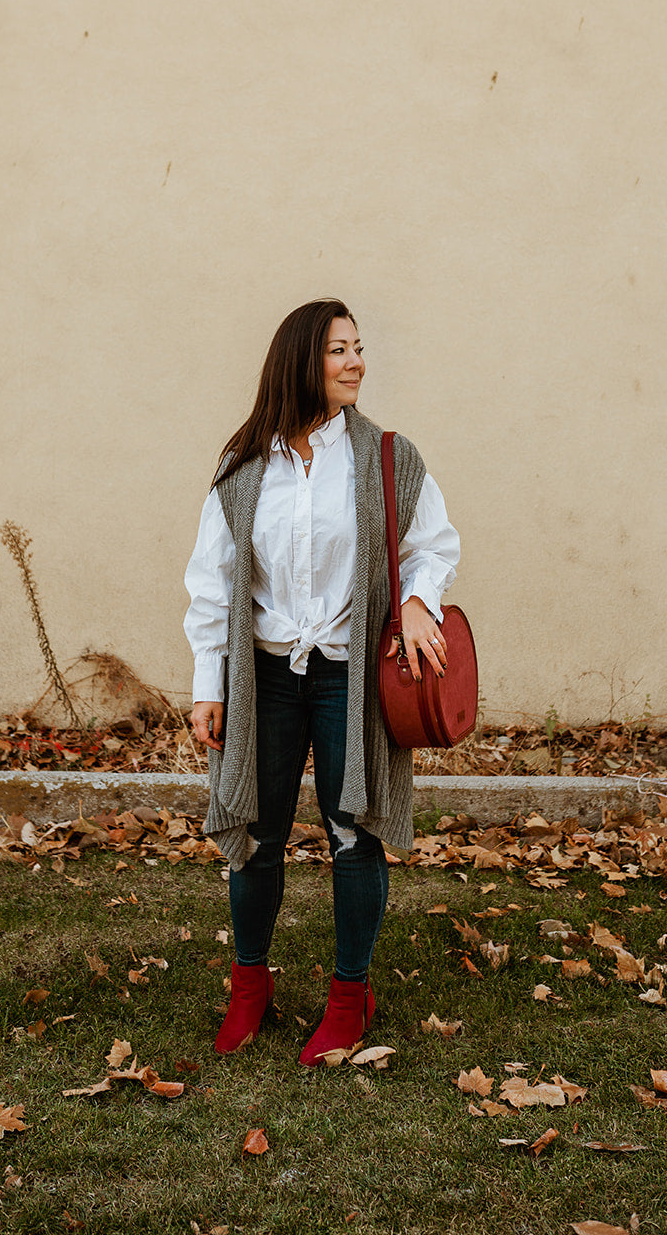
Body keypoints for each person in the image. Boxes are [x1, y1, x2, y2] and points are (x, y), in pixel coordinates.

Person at [184, 298, 459, 1064]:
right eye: (339, 349)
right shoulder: (242, 465)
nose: (356, 362)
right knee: (255, 836)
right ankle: (250, 990)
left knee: (352, 833)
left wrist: (413, 601)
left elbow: (432, 544)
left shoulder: (386, 457)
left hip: (348, 679)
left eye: (359, 348)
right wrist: (210, 683)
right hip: (265, 677)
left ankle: (349, 996)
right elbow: (215, 578)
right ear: (302, 360)